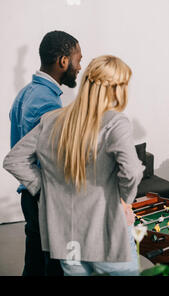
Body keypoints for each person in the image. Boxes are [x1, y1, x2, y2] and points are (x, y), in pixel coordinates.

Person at [4, 55, 144, 276]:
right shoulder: (116, 122)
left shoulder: (52, 119)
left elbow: (14, 159)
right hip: (106, 233)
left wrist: (43, 190)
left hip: (66, 239)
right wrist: (124, 203)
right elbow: (132, 171)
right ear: (117, 88)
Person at [8, 30, 82, 276]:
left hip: (29, 197)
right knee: (55, 269)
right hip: (45, 199)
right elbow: (51, 159)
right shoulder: (47, 102)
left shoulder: (26, 93)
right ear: (63, 61)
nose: (79, 67)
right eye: (78, 60)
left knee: (34, 267)